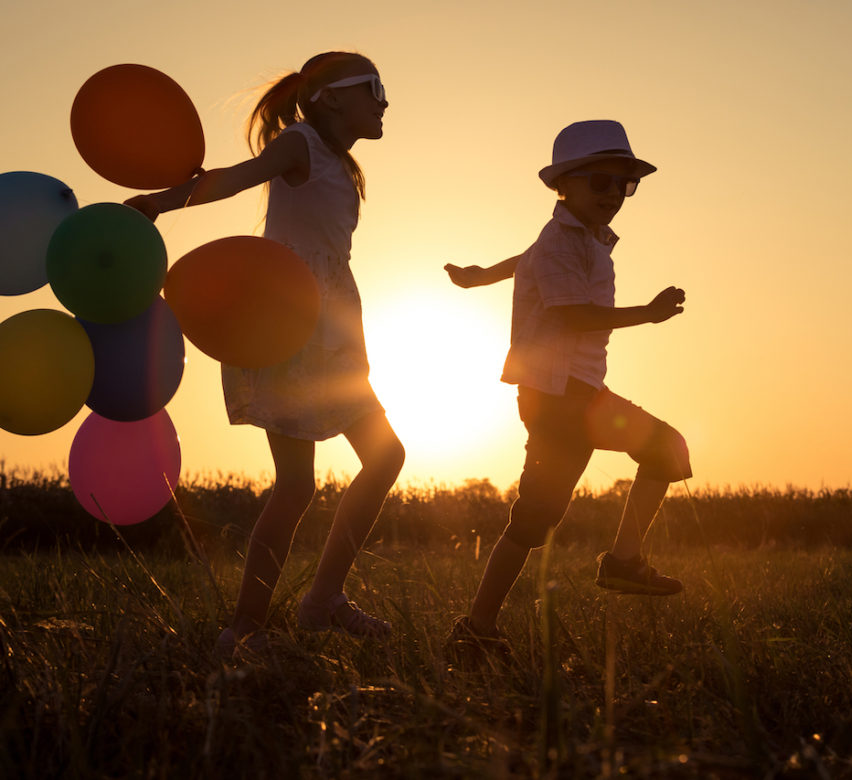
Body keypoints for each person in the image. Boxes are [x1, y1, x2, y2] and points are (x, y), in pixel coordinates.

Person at [126, 52, 404, 653]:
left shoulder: (341, 163)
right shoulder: (300, 143)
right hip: (286, 324)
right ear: (330, 97)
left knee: (366, 464)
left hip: (328, 325)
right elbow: (235, 177)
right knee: (311, 480)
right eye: (373, 87)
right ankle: (255, 624)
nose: (384, 100)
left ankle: (308, 604)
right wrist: (160, 202)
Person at [443, 120, 692, 660]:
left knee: (536, 516)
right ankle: (621, 564)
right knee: (665, 447)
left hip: (566, 393)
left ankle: (477, 629)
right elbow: (570, 314)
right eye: (601, 182)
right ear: (565, 185)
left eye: (625, 186)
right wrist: (647, 315)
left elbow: (528, 259)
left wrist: (483, 274)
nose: (614, 196)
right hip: (561, 397)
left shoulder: (574, 239)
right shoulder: (562, 241)